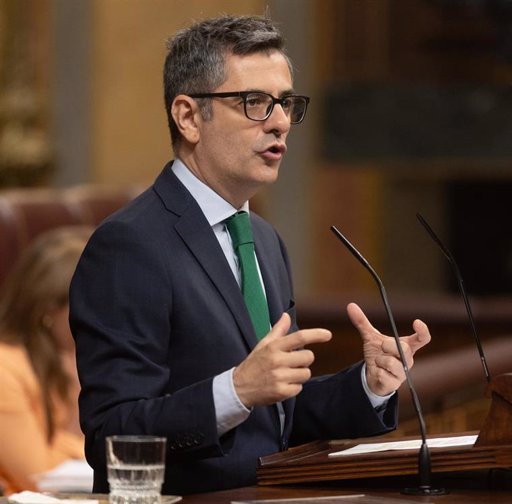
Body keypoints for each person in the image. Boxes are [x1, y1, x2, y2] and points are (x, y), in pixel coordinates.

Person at [70, 14, 432, 495]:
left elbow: (275, 416)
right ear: (189, 116)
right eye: (254, 102)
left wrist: (370, 384)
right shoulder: (130, 245)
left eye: (284, 102)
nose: (281, 121)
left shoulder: (262, 238)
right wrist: (236, 390)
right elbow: (112, 435)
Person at [0, 227, 92, 495]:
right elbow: (38, 475)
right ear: (49, 308)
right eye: (90, 302)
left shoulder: (66, 356)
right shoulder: (5, 369)